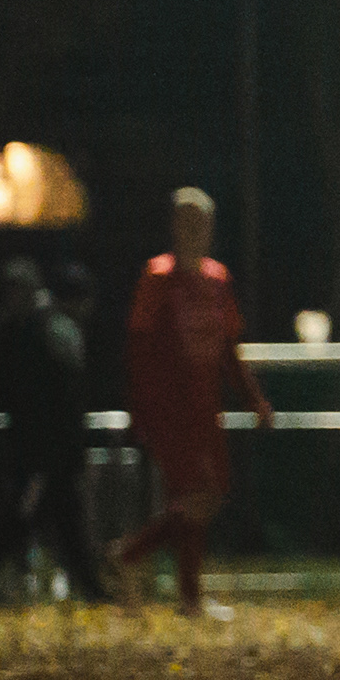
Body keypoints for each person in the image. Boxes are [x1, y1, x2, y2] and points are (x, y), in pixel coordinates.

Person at [108, 189, 271, 617]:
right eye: (186, 222)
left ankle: (152, 570)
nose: (194, 231)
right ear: (174, 226)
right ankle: (170, 583)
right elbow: (139, 351)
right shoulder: (157, 278)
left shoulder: (218, 279)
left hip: (205, 407)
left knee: (203, 498)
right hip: (170, 409)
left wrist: (254, 399)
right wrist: (140, 409)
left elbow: (228, 350)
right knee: (196, 496)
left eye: (201, 223)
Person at [0, 258, 108, 604]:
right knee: (43, 518)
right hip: (47, 449)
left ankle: (90, 588)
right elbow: (63, 396)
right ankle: (91, 588)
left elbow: (48, 396)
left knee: (37, 518)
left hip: (43, 447)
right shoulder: (47, 328)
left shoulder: (34, 328)